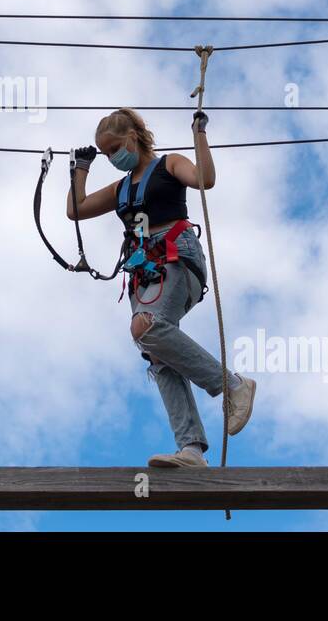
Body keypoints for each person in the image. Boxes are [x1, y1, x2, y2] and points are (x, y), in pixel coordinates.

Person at [66, 107, 256, 468]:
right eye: (106, 154)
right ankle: (191, 449)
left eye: (114, 149)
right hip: (144, 269)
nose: (112, 158)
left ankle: (232, 386)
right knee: (156, 351)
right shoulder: (122, 188)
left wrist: (199, 134)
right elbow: (77, 209)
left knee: (145, 327)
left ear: (133, 137)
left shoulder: (169, 164)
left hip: (175, 254)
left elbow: (205, 180)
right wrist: (82, 169)